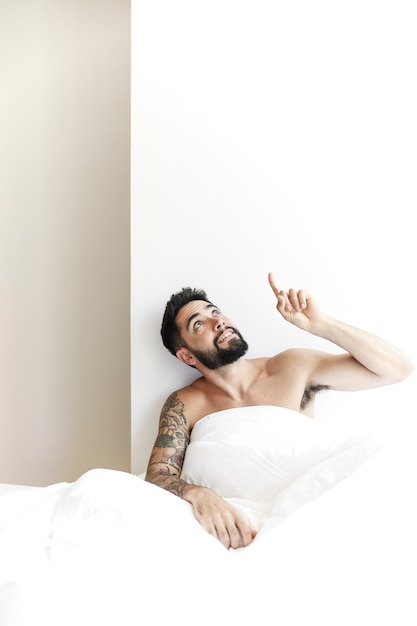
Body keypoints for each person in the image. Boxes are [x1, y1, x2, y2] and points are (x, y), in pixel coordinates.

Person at [145, 273, 413, 549]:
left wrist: (321, 325)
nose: (218, 321)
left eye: (215, 312)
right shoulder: (184, 403)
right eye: (199, 323)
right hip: (233, 523)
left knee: (388, 450)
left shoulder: (292, 367)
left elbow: (397, 369)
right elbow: (158, 475)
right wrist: (201, 496)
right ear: (187, 356)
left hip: (306, 505)